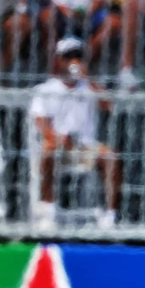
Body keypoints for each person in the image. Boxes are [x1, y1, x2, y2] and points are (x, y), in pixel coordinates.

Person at [29, 36, 118, 229]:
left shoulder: (89, 87)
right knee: (49, 150)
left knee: (110, 157)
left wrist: (88, 79)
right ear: (58, 60)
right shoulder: (45, 89)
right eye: (68, 56)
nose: (73, 61)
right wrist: (59, 139)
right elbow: (42, 124)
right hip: (59, 144)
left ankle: (110, 215)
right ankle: (48, 210)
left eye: (78, 56)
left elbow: (108, 106)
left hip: (85, 147)